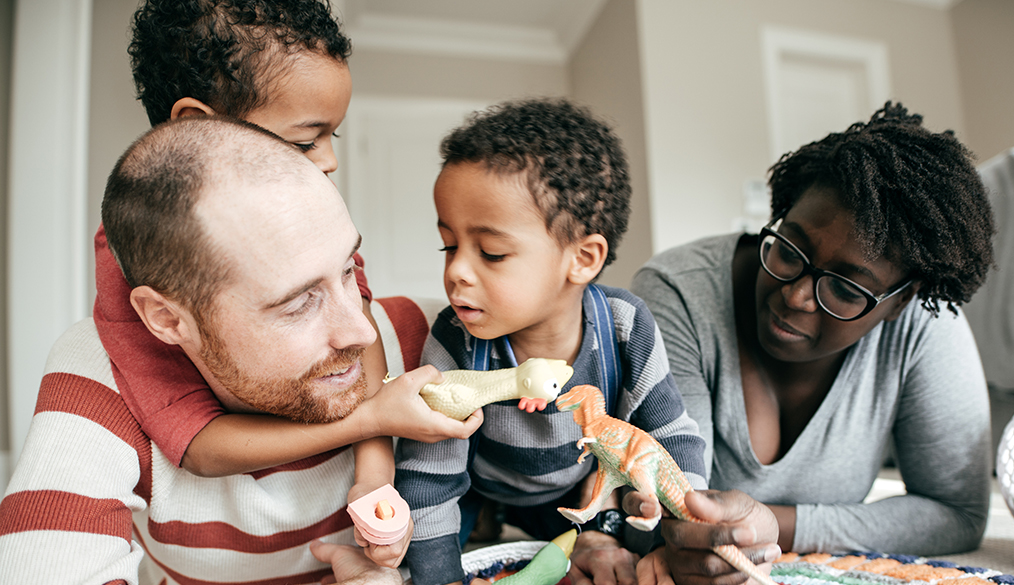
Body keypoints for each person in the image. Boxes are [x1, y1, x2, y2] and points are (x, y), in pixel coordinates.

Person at [93, 0, 482, 567]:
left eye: (334, 138)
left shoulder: (313, 219)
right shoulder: (136, 258)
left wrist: (373, 477)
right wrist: (373, 419)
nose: (327, 162)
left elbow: (362, 331)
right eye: (304, 142)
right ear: (198, 125)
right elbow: (192, 442)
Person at [0, 116, 407, 583]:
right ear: (168, 319)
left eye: (348, 272)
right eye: (298, 304)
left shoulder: (439, 334)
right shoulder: (99, 375)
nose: (362, 332)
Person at [627, 103, 996, 585]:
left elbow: (958, 513)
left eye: (845, 288)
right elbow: (669, 507)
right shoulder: (677, 293)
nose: (795, 296)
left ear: (899, 301)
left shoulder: (924, 328)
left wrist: (773, 525)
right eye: (789, 249)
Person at [393, 99, 708, 585]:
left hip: (580, 487)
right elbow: (430, 475)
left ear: (582, 259)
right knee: (414, 558)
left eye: (491, 253)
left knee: (638, 545)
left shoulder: (624, 326)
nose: (455, 271)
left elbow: (672, 434)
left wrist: (690, 513)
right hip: (479, 488)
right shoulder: (455, 340)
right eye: (448, 245)